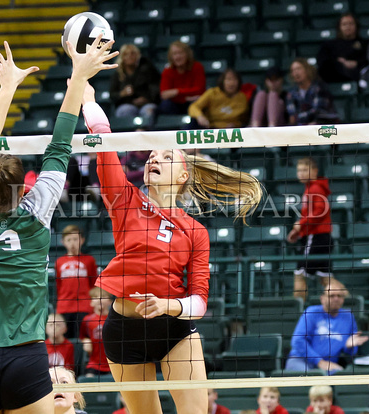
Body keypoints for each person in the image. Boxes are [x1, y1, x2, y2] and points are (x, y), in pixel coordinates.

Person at [0, 37, 118, 414]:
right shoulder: (37, 211)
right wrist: (78, 77)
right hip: (27, 359)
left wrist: (6, 86)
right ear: (21, 187)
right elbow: (60, 146)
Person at [81, 82, 262, 414]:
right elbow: (103, 140)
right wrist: (86, 93)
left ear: (182, 176)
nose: (155, 158)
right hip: (125, 332)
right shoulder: (125, 200)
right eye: (152, 155)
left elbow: (199, 302)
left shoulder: (195, 231)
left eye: (166, 156)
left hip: (175, 330)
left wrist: (167, 305)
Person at [285, 279, 369, 374]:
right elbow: (298, 341)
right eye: (331, 296)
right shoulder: (311, 312)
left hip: (329, 366)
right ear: (322, 298)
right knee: (309, 378)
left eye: (339, 296)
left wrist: (348, 346)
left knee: (342, 377)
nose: (336, 299)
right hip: (301, 361)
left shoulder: (348, 317)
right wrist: (319, 361)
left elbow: (351, 353)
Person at [286, 157, 333, 301]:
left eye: (305, 170)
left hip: (316, 237)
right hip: (321, 237)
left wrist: (301, 223)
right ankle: (352, 307)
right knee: (325, 280)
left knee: (299, 275)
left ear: (314, 171)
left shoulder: (315, 188)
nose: (301, 173)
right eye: (299, 170)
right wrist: (298, 230)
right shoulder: (310, 188)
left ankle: (298, 313)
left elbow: (320, 211)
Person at [55, 224, 98, 339]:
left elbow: (94, 284)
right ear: (63, 242)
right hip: (65, 307)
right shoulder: (59, 262)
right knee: (66, 340)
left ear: (82, 240)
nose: (72, 243)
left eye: (75, 239)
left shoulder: (89, 260)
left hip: (84, 307)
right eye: (69, 240)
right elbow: (59, 286)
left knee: (83, 339)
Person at [110, 43, 160, 122]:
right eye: (126, 54)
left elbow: (155, 88)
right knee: (126, 110)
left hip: (147, 103)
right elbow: (112, 95)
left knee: (149, 110)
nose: (130, 56)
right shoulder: (118, 74)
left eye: (132, 53)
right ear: (122, 57)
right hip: (126, 104)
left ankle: (142, 132)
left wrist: (146, 99)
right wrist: (122, 94)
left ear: (138, 55)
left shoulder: (148, 69)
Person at [285, 58, 339, 126]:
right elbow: (292, 116)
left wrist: (301, 117)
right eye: (293, 70)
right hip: (301, 126)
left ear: (307, 70)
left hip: (324, 124)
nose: (296, 73)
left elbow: (318, 111)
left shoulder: (319, 88)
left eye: (298, 69)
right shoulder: (291, 94)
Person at [317, 13, 368, 84]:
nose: (348, 27)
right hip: (336, 76)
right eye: (344, 24)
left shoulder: (365, 43)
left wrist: (356, 63)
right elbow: (322, 61)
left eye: (351, 24)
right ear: (339, 27)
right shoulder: (329, 45)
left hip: (359, 74)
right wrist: (340, 62)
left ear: (356, 26)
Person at [158, 41, 206, 115]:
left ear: (187, 54)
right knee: (165, 105)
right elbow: (164, 94)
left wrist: (176, 91)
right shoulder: (167, 71)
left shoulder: (197, 67)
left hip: (193, 102)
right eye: (174, 54)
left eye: (180, 53)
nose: (178, 57)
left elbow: (199, 90)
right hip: (176, 104)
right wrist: (185, 98)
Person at [79, 287, 112, 377]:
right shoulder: (87, 320)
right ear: (91, 302)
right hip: (95, 364)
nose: (99, 300)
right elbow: (82, 336)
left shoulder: (115, 319)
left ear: (110, 301)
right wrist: (85, 340)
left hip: (114, 364)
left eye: (103, 297)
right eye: (96, 297)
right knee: (88, 380)